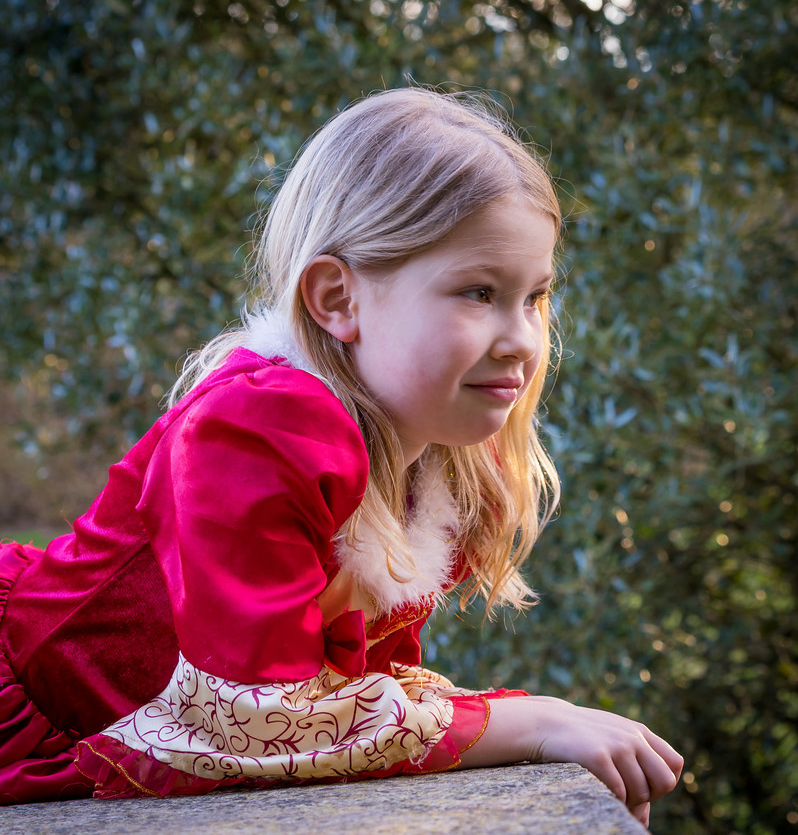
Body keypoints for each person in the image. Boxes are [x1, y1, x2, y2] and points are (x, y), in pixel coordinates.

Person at [0, 87, 682, 823]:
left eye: (534, 297)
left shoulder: (432, 456)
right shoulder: (257, 427)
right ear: (337, 299)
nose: (520, 337)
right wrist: (534, 721)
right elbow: (255, 714)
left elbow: (352, 690)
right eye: (478, 292)